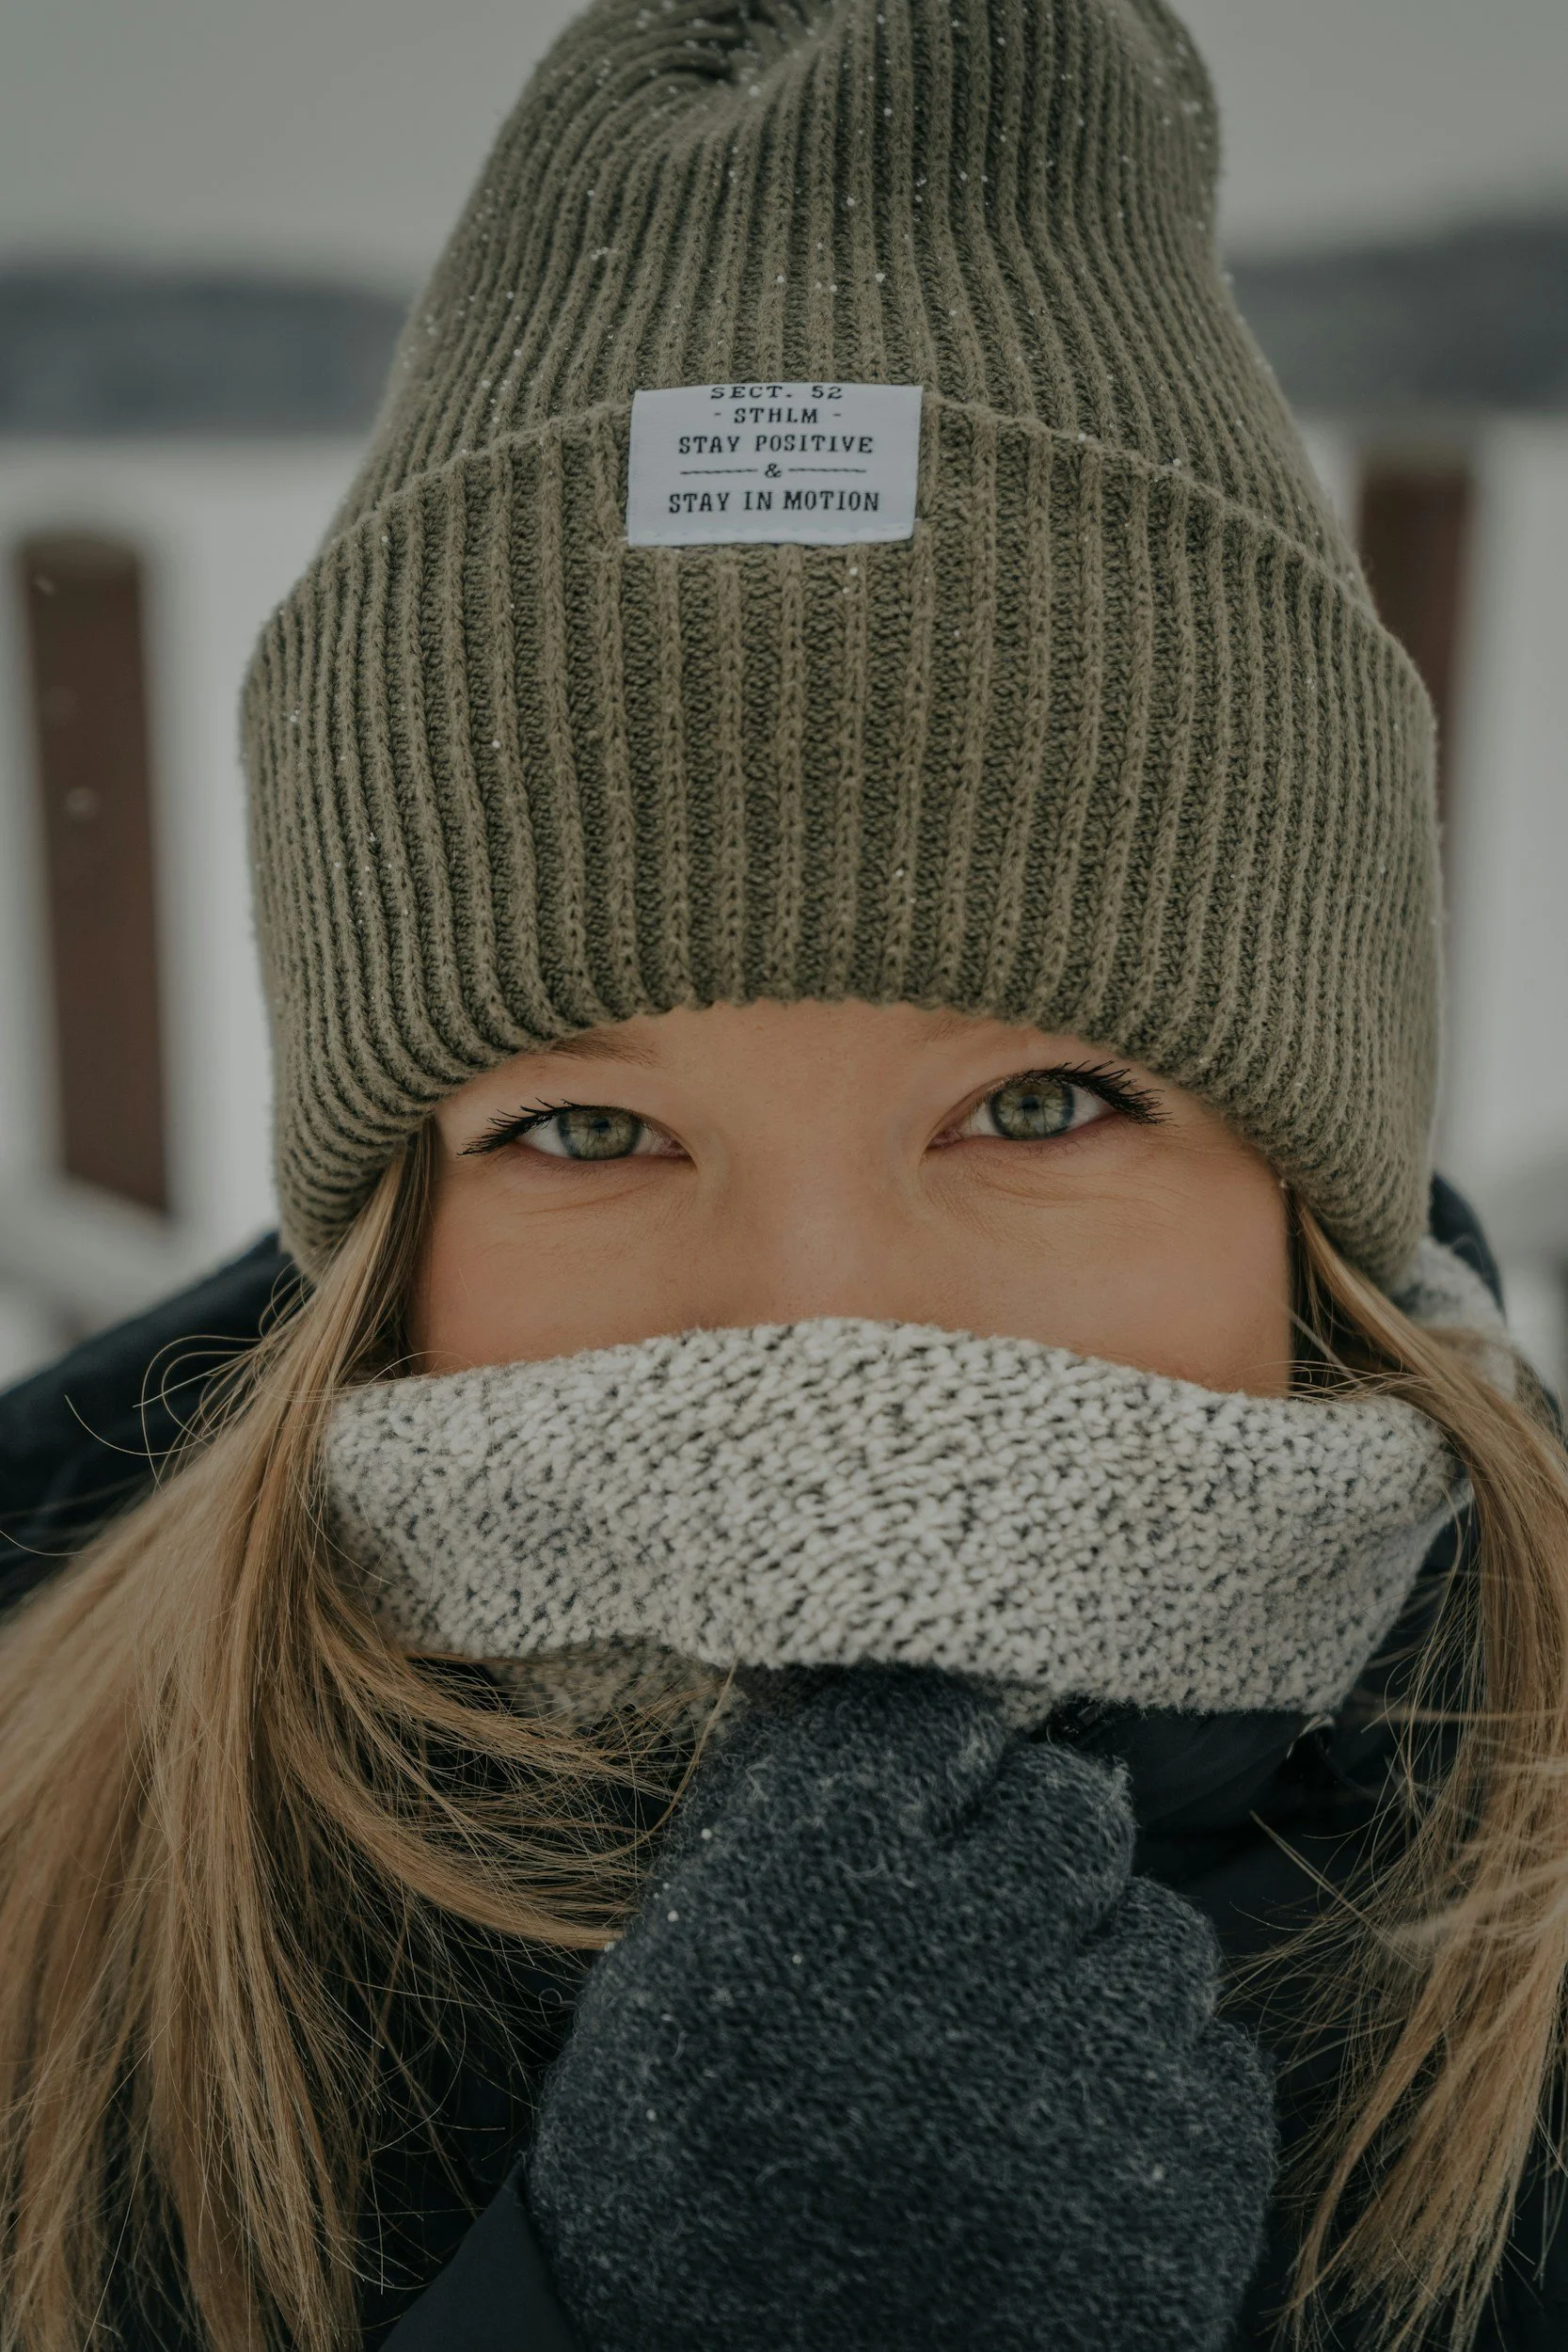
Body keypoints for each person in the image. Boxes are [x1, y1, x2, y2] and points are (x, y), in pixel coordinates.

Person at [1, 1, 1566, 2346]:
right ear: (396, 1217)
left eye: (1038, 1099)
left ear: (1303, 1175)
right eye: (587, 1125)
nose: (818, 1311)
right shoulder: (52, 1880)